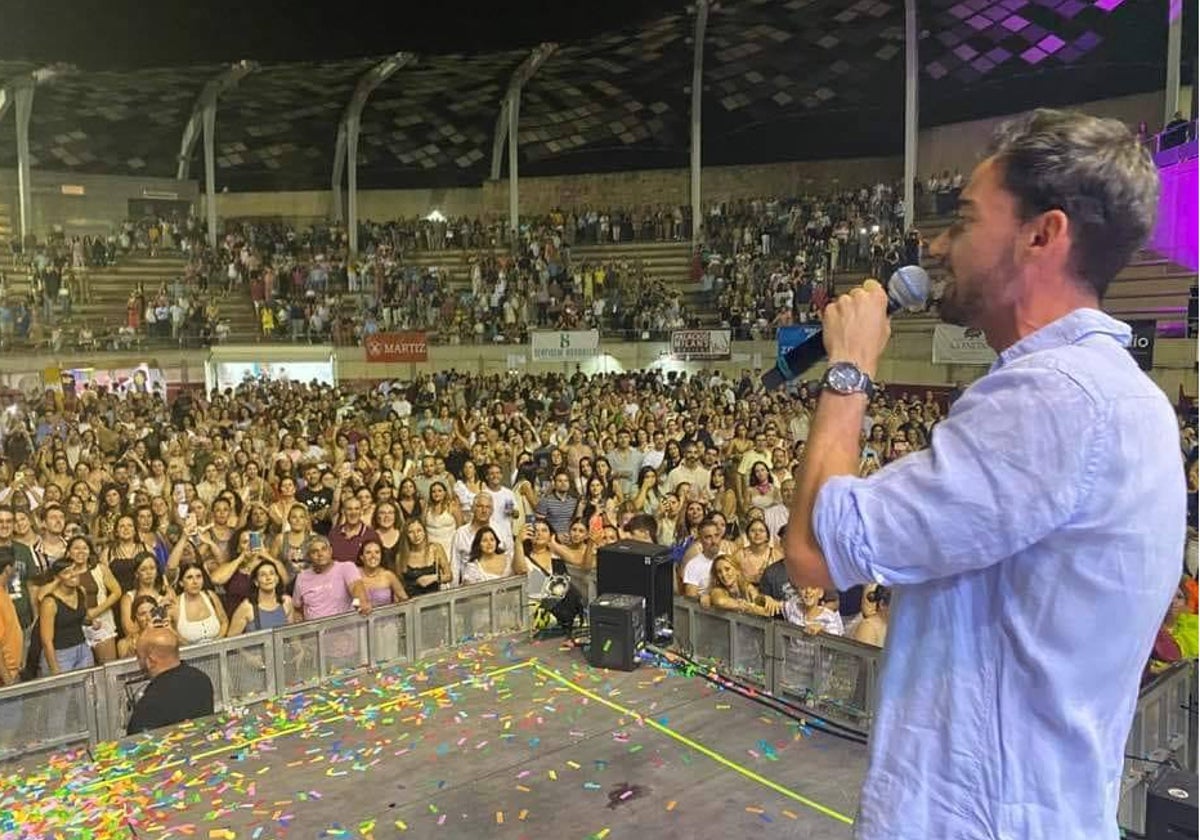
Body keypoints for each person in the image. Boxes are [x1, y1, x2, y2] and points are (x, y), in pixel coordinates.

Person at [784, 109, 1183, 839]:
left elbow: (813, 551)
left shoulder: (1052, 398)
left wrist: (848, 368)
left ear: (1043, 234)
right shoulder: (1128, 398)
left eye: (964, 220)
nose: (937, 246)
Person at [126, 626, 214, 735]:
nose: (138, 663)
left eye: (139, 657)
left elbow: (135, 742)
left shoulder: (151, 701)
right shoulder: (202, 679)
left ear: (150, 661)